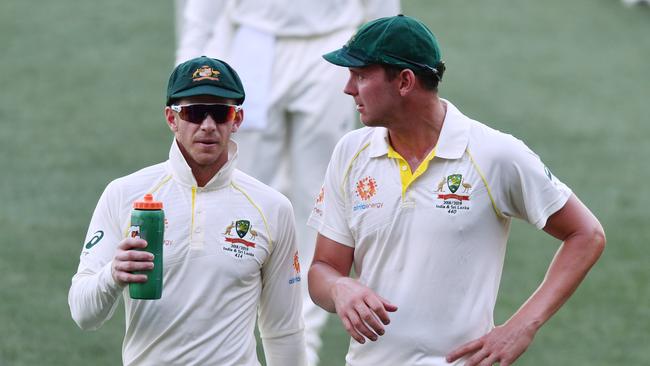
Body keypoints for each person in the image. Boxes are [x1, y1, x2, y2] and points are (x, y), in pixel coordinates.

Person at [307, 15, 606, 366]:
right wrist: (339, 288)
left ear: (404, 81)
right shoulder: (351, 152)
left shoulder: (494, 155)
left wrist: (524, 325)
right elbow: (323, 269)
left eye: (360, 75)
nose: (348, 88)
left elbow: (586, 234)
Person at [175, 1, 400, 364]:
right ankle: (228, 333)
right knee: (239, 192)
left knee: (320, 199)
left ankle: (301, 344)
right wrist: (189, 64)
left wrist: (383, 57)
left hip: (330, 47)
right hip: (253, 44)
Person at [68, 56, 307, 366]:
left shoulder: (272, 208)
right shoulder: (123, 194)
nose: (208, 125)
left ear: (237, 120)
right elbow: (83, 315)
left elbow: (284, 330)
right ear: (172, 119)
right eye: (194, 113)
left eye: (220, 113)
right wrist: (112, 275)